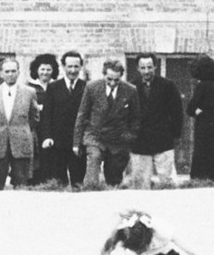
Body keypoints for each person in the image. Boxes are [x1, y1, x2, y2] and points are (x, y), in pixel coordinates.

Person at [73, 58, 139, 189]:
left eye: (116, 80)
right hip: (95, 136)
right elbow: (82, 115)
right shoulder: (92, 87)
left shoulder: (130, 90)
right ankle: (90, 192)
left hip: (117, 140)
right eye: (109, 79)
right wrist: (76, 143)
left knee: (113, 178)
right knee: (94, 159)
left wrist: (129, 136)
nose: (112, 83)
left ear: (121, 76)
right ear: (104, 75)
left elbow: (135, 118)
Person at [129, 53, 184, 189]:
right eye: (143, 68)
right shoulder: (131, 87)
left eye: (149, 67)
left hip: (163, 142)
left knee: (167, 183)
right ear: (138, 68)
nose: (146, 71)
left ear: (155, 67)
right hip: (140, 143)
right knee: (141, 184)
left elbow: (177, 113)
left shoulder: (168, 86)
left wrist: (174, 136)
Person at [0, 57, 38, 189]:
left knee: (21, 184)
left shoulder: (29, 92)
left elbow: (34, 117)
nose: (10, 74)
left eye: (13, 71)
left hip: (21, 143)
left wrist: (21, 130)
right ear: (1, 73)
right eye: (7, 71)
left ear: (19, 72)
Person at [39, 51, 88, 188]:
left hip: (78, 144)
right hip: (57, 144)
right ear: (63, 67)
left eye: (76, 67)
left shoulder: (87, 87)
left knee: (79, 182)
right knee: (58, 183)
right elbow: (46, 115)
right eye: (69, 66)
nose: (73, 70)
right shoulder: (53, 87)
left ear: (81, 67)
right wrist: (47, 137)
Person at [186, 56, 214, 183]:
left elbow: (190, 108)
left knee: (200, 168)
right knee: (212, 169)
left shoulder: (201, 86)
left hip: (203, 130)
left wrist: (198, 112)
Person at [27, 54, 60, 185]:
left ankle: (50, 182)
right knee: (36, 156)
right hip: (36, 128)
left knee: (51, 156)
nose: (45, 72)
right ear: (36, 70)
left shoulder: (57, 86)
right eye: (42, 69)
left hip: (53, 127)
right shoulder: (30, 87)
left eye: (48, 69)